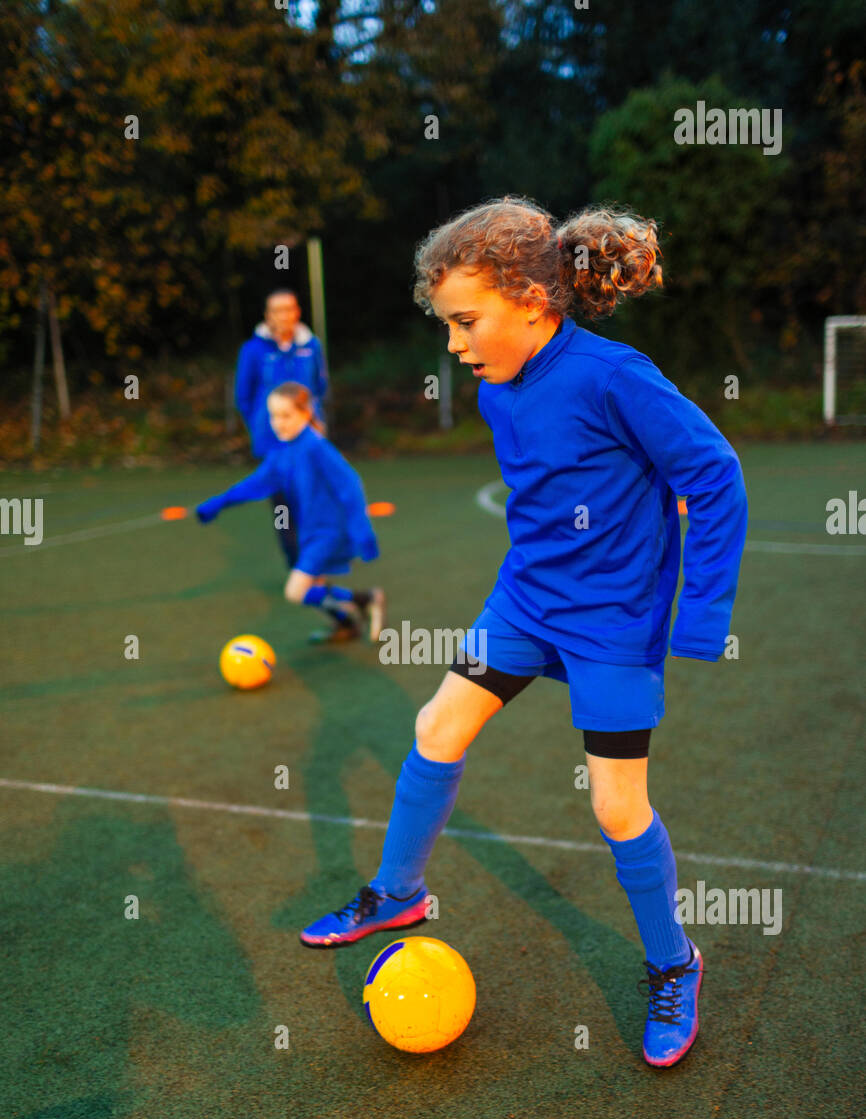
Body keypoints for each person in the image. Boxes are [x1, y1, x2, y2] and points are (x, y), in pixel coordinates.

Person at [298, 195, 749, 1071]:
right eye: (447, 327)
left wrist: (700, 614)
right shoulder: (499, 388)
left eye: (467, 322)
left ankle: (674, 963)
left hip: (612, 624)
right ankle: (397, 892)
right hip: (527, 604)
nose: (457, 345)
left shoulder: (615, 378)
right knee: (437, 725)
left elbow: (715, 473)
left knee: (616, 806)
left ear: (534, 304)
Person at [197, 382, 385, 645]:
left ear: (305, 413)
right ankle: (357, 611)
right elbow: (255, 483)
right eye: (273, 415)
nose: (278, 423)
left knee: (296, 591)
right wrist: (220, 503)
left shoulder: (315, 447)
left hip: (329, 532)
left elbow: (349, 485)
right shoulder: (282, 452)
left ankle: (358, 604)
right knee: (315, 587)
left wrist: (361, 530)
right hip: (309, 531)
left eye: (286, 415)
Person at [234, 289, 329, 567]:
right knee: (283, 506)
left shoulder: (311, 346)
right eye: (277, 310)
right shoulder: (252, 350)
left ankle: (313, 560)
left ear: (297, 312)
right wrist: (261, 427)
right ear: (268, 316)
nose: (283, 316)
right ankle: (297, 563)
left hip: (309, 440)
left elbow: (320, 388)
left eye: (288, 309)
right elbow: (243, 396)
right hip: (272, 443)